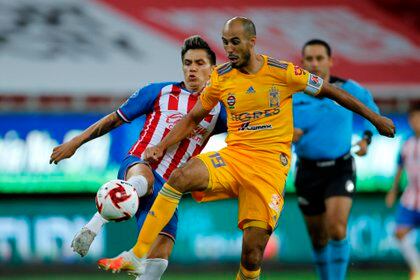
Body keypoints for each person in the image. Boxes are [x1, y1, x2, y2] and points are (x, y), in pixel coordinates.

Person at [132, 17, 395, 279]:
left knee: (301, 240)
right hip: (266, 163)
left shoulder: (291, 75)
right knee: (182, 178)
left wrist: (374, 122)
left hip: (301, 169)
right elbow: (194, 118)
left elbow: (340, 94)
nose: (230, 49)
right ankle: (137, 253)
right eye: (225, 43)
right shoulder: (225, 78)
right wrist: (162, 144)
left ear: (252, 42)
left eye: (235, 42)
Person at [49, 35, 226, 279]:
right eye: (187, 63)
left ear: (213, 69)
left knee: (159, 257)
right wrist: (75, 142)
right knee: (144, 179)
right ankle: (94, 225)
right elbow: (114, 119)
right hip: (139, 164)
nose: (192, 69)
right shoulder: (158, 91)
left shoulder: (219, 109)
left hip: (170, 188)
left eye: (199, 63)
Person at [292, 39, 380, 280]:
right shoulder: (292, 94)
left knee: (337, 227)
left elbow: (372, 110)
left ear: (330, 61)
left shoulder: (348, 89)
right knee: (318, 237)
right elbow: (274, 128)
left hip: (340, 168)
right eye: (309, 59)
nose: (315, 63)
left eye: (320, 58)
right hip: (307, 171)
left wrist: (366, 139)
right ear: (302, 63)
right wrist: (287, 134)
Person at [386, 104, 420, 280]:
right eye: (413, 119)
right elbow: (399, 168)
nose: (415, 122)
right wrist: (393, 191)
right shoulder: (407, 143)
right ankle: (417, 269)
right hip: (411, 197)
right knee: (399, 233)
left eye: (418, 118)